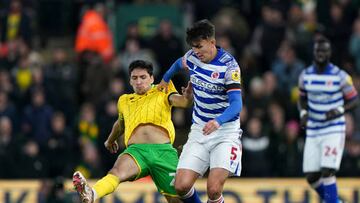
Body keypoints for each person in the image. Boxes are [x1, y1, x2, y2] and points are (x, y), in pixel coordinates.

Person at [72, 60, 193, 203]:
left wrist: (188, 97)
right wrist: (110, 139)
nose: (139, 81)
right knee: (115, 172)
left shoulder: (162, 90)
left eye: (143, 77)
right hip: (137, 151)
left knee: (176, 200)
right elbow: (120, 123)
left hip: (163, 152)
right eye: (134, 78)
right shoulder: (124, 100)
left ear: (152, 78)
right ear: (130, 81)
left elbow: (183, 102)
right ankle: (92, 193)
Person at [158, 19, 243, 203]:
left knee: (213, 189)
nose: (195, 51)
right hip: (200, 129)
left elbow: (237, 104)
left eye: (199, 46)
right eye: (193, 47)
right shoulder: (192, 56)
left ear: (212, 42)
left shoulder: (229, 67)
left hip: (225, 132)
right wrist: (165, 79)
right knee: (181, 186)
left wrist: (218, 121)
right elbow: (177, 64)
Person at [298, 36, 359, 203]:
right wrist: (303, 113)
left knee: (327, 171)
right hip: (313, 128)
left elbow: (354, 99)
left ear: (330, 52)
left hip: (333, 128)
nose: (321, 54)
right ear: (314, 52)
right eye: (318, 50)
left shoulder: (340, 76)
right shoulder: (305, 75)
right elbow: (302, 98)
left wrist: (340, 110)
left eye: (324, 50)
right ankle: (335, 201)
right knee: (311, 176)